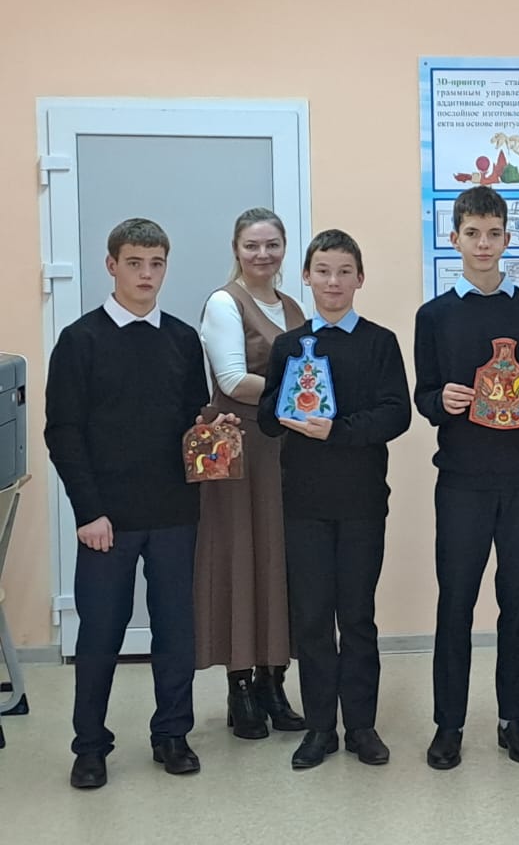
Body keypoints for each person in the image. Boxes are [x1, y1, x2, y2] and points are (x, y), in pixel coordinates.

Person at [46, 218, 222, 789]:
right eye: (134, 263)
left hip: (174, 513)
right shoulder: (80, 341)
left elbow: (192, 419)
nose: (146, 275)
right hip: (108, 520)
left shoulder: (181, 339)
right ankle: (90, 747)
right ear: (111, 265)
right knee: (101, 634)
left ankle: (172, 734)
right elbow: (63, 433)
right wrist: (88, 512)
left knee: (176, 632)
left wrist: (214, 439)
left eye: (156, 264)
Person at [259, 229, 411, 770]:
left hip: (362, 502)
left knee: (358, 617)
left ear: (360, 279)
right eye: (322, 271)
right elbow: (267, 420)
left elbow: (397, 413)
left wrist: (338, 430)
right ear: (306, 276)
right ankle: (320, 727)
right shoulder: (289, 346)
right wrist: (286, 407)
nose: (333, 282)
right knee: (313, 619)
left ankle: (362, 726)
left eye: (344, 272)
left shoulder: (379, 342)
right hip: (303, 504)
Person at [414, 186, 519, 769]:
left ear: (507, 238)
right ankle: (448, 724)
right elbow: (422, 394)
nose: (483, 243)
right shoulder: (435, 315)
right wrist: (439, 399)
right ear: (454, 239)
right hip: (462, 480)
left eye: (493, 233)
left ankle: (513, 719)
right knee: (456, 602)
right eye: (472, 233)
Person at [196, 208, 306, 740]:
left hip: (285, 449)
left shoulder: (293, 306)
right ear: (236, 249)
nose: (263, 254)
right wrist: (307, 390)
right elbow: (233, 380)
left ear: (284, 248)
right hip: (239, 449)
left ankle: (273, 681)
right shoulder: (225, 303)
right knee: (240, 558)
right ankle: (239, 684)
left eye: (272, 245)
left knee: (279, 560)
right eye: (252, 245)